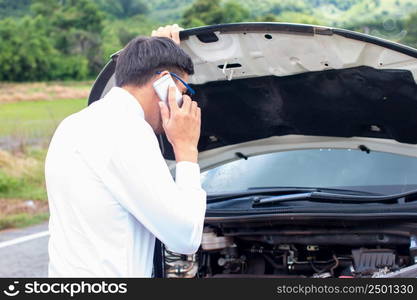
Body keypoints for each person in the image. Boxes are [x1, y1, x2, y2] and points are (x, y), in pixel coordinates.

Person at [45, 25, 206, 277]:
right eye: (183, 92)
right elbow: (185, 237)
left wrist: (161, 50)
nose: (183, 103)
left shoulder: (73, 125)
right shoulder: (128, 131)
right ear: (164, 83)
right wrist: (186, 149)